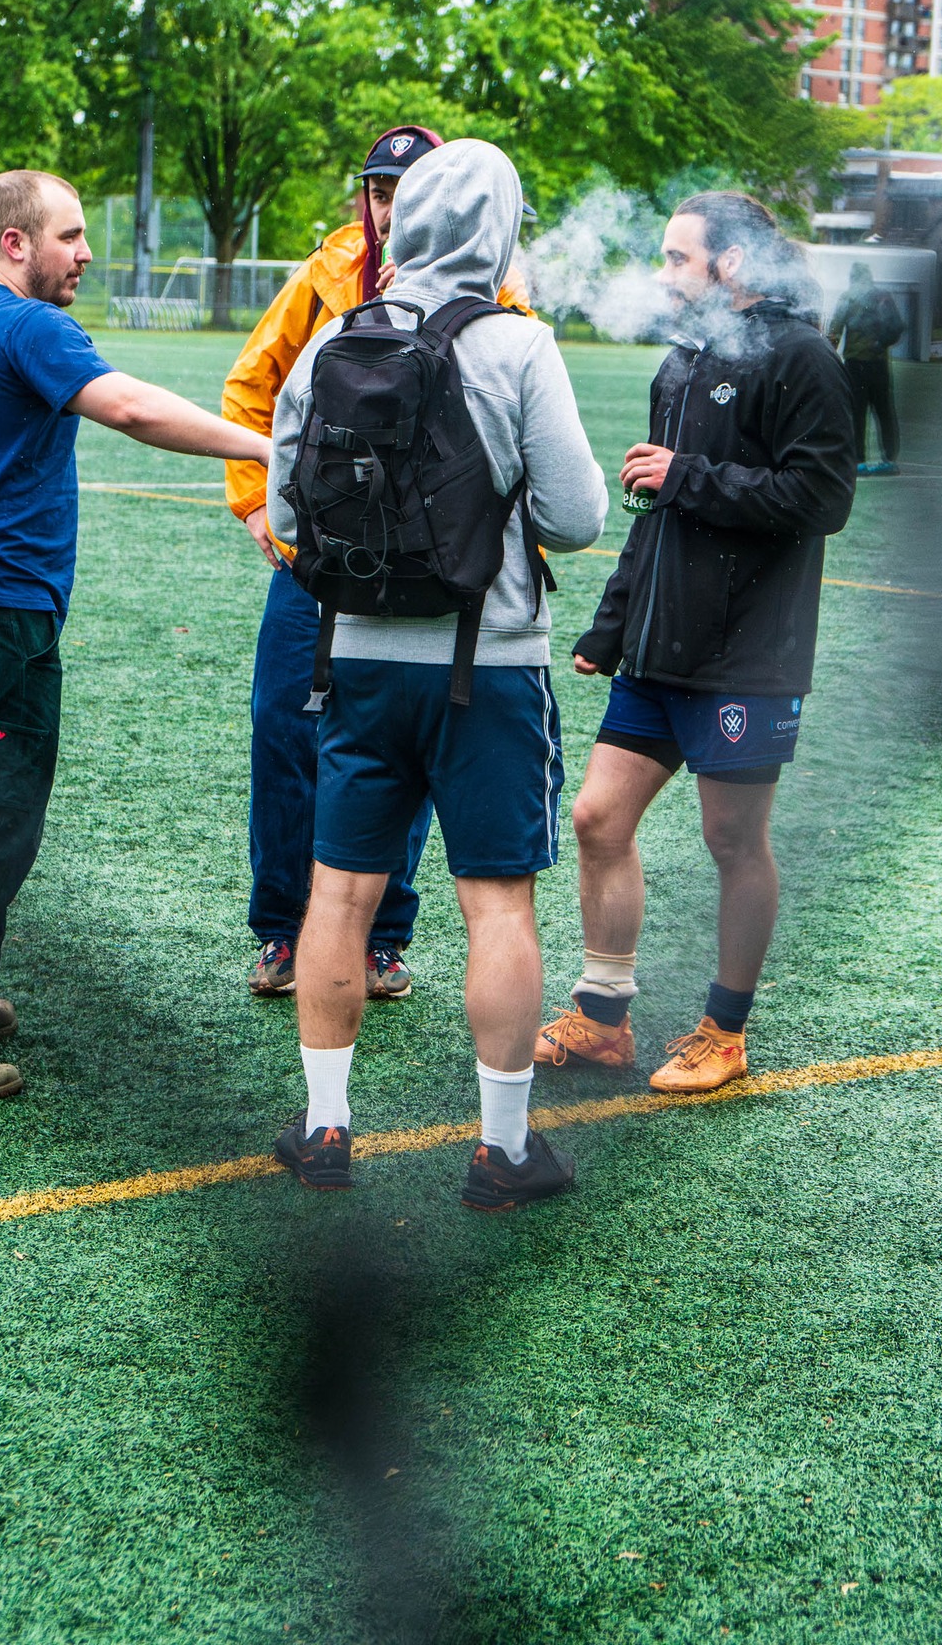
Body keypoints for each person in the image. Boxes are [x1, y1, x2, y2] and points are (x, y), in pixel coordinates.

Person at [0, 169, 270, 1101]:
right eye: (71, 236)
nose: (85, 254)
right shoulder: (29, 326)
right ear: (16, 243)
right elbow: (128, 408)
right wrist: (265, 445)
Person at [266, 138, 608, 1207]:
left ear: (399, 219)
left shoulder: (330, 340)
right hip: (489, 667)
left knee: (339, 894)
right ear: (496, 227)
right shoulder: (517, 343)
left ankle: (325, 1125)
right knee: (496, 903)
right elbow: (578, 517)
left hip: (356, 657)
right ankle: (501, 1149)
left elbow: (286, 517)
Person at [536, 191, 855, 1093]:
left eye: (678, 258)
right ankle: (603, 1021)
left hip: (748, 653)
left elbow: (821, 501)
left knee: (731, 840)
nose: (662, 274)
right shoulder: (683, 363)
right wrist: (613, 620)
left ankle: (724, 1028)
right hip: (660, 645)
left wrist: (690, 475)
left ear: (736, 264)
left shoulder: (803, 360)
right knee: (597, 818)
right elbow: (653, 508)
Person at [221, 127, 533, 1002]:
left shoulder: (497, 293)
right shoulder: (326, 274)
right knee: (284, 733)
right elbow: (252, 387)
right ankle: (284, 932)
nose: (389, 208)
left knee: (407, 748)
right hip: (319, 564)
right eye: (377, 190)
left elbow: (517, 440)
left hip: (434, 572)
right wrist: (259, 500)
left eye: (407, 190)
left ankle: (383, 940)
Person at [828, 259, 904, 475]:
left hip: (855, 363)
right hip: (879, 362)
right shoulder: (883, 296)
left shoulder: (848, 297)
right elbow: (897, 326)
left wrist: (828, 353)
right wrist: (880, 343)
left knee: (856, 412)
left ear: (852, 277)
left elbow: (835, 330)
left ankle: (858, 461)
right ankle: (889, 459)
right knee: (884, 411)